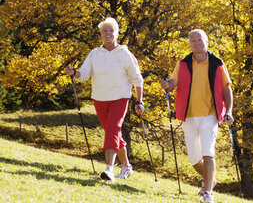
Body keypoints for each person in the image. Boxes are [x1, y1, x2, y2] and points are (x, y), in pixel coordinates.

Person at [65, 17, 144, 182]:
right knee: (113, 133)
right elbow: (84, 74)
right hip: (100, 99)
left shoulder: (125, 54)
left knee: (113, 130)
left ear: (116, 33)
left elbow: (137, 79)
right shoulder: (94, 54)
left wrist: (139, 100)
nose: (108, 33)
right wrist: (74, 73)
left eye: (111, 30)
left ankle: (109, 169)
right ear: (101, 34)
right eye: (104, 31)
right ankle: (127, 167)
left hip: (120, 98)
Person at [160, 29, 234, 203]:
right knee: (194, 159)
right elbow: (172, 85)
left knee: (208, 153)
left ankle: (207, 192)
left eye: (199, 40)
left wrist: (229, 111)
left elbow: (226, 88)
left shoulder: (217, 63)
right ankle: (210, 179)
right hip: (189, 116)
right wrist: (166, 84)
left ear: (206, 41)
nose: (196, 43)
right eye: (192, 41)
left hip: (211, 115)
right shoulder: (183, 63)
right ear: (189, 44)